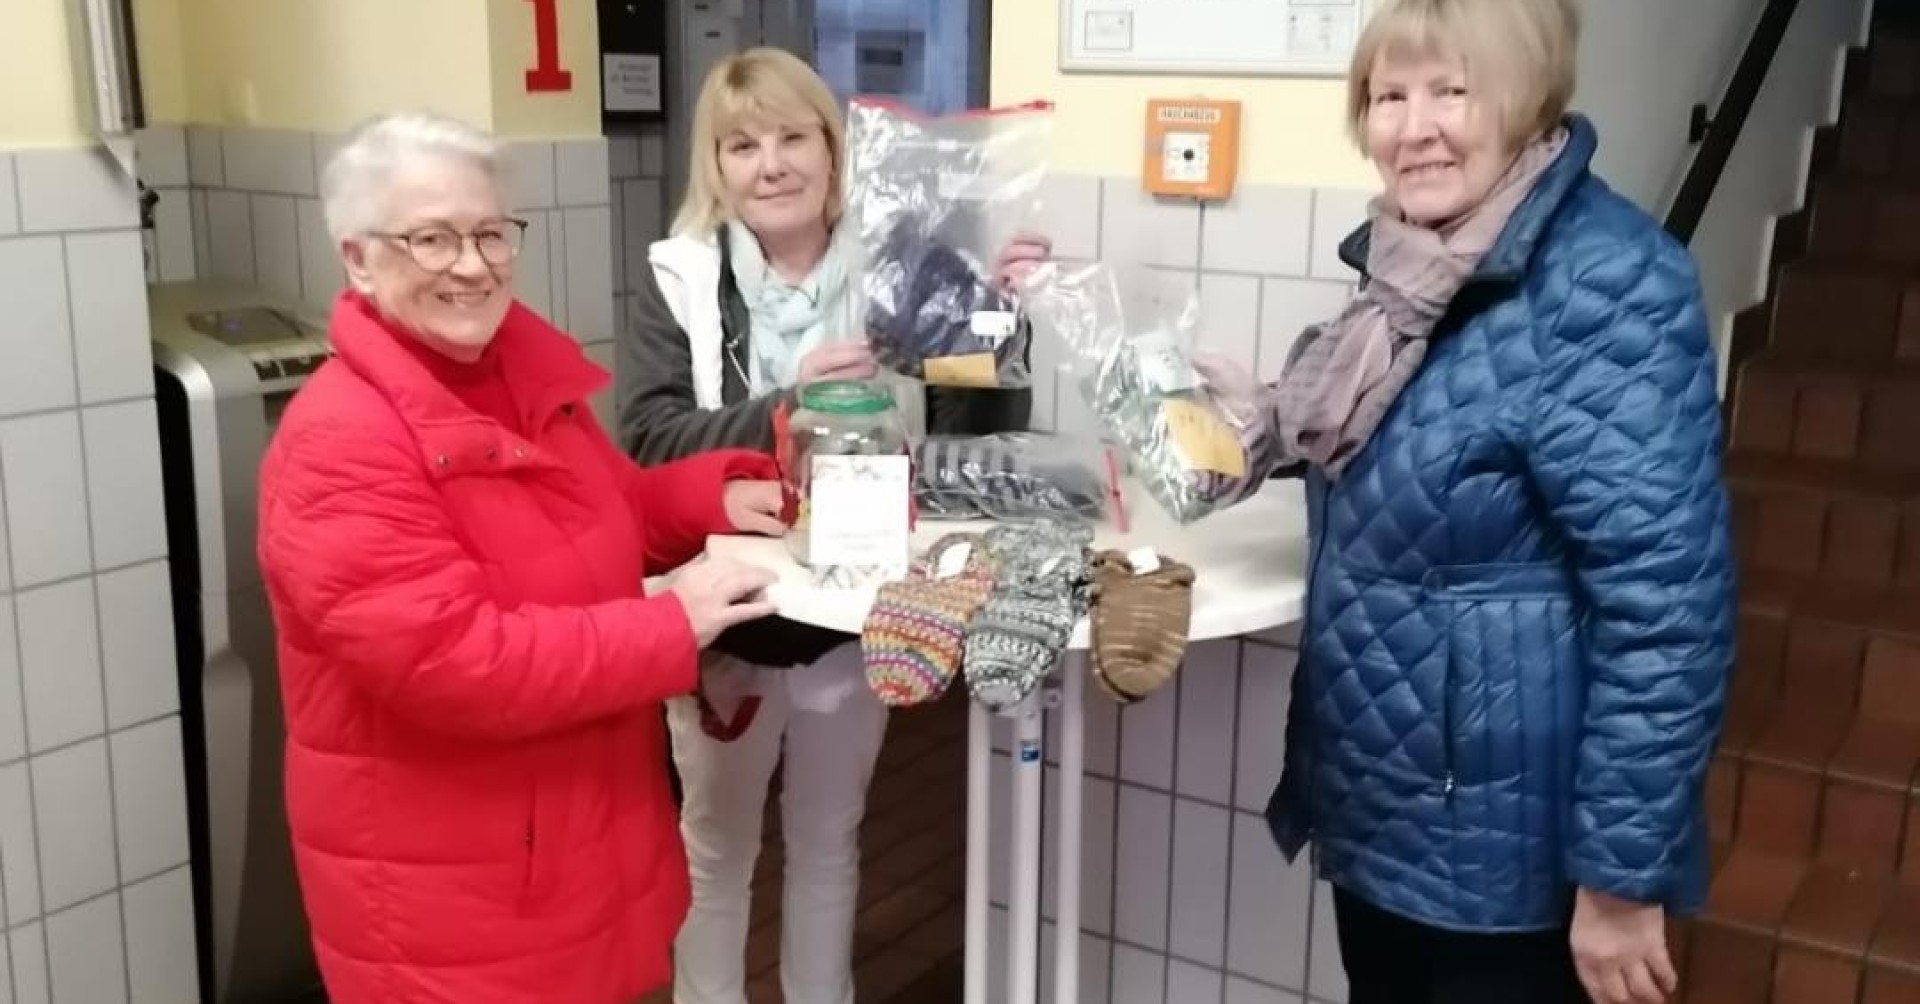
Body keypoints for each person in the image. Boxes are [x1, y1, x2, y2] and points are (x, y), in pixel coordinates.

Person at [1209, 1, 1736, 1002]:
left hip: (1509, 867)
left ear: (1525, 98)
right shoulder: (1407, 273)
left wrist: (1622, 877)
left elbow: (1669, 607)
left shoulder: (1606, 281)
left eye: (1453, 89)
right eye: (1389, 95)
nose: (1417, 126)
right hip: (1384, 821)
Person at [255, 111, 788, 1004]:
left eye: (490, 233)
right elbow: (455, 662)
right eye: (430, 238)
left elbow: (608, 514)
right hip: (457, 922)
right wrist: (673, 622)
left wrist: (712, 499)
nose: (471, 265)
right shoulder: (338, 444)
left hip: (582, 868)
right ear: (358, 258)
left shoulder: (520, 381)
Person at [614, 48, 1050, 1004]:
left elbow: (978, 428)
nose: (770, 163)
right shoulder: (678, 280)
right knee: (716, 848)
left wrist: (1006, 328)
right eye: (741, 144)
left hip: (857, 607)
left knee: (828, 838)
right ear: (714, 166)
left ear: (831, 149)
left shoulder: (904, 266)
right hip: (726, 607)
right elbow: (645, 441)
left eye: (792, 136)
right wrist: (784, 401)